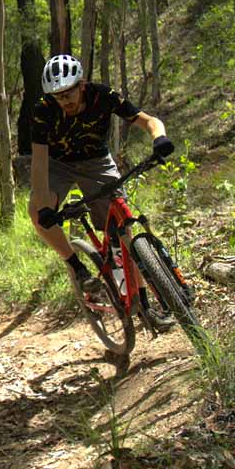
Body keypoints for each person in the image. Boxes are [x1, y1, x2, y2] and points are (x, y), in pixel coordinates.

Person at [29, 54, 175, 292]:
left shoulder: (103, 96)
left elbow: (149, 121)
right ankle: (78, 268)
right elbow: (38, 162)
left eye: (69, 93)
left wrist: (159, 138)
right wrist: (45, 206)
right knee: (36, 211)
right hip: (58, 164)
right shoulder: (43, 110)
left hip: (96, 161)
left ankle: (143, 298)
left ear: (82, 84)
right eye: (58, 96)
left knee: (121, 227)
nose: (64, 101)